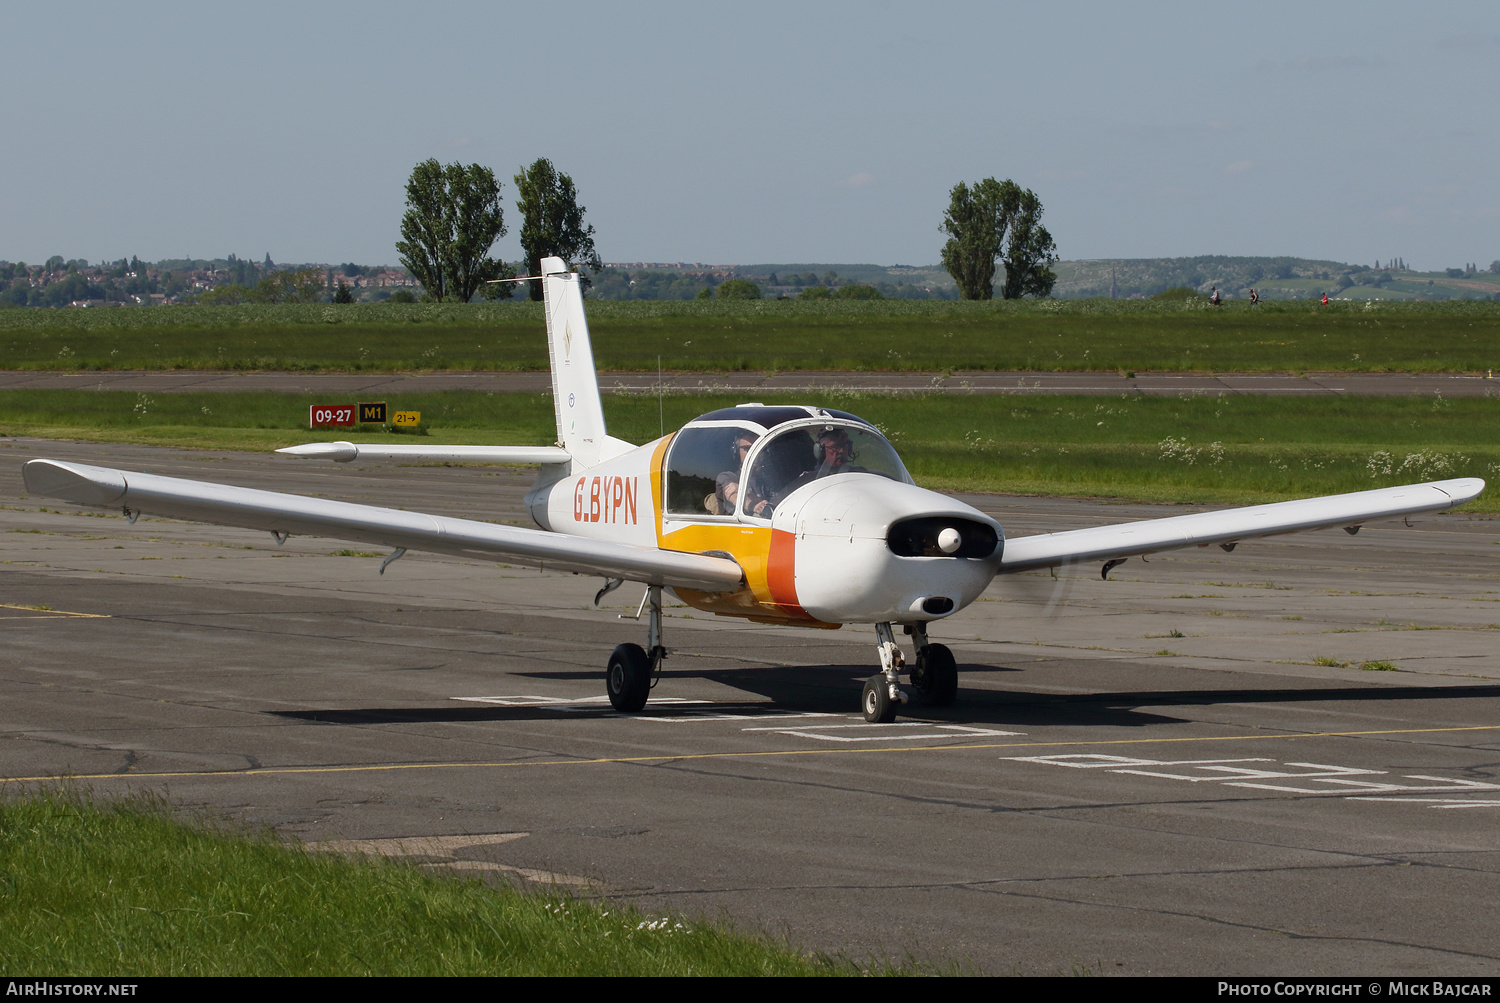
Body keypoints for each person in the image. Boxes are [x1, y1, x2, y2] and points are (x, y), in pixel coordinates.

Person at [715, 431, 762, 515]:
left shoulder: (771, 480)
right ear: (737, 452)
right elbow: (733, 495)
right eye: (747, 449)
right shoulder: (726, 477)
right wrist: (752, 505)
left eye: (757, 448)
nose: (753, 453)